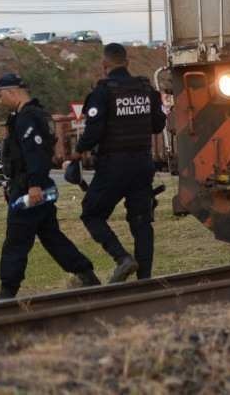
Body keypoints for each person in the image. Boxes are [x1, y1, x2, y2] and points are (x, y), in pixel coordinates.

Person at [0, 73, 99, 299]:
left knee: (16, 242)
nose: (0, 101)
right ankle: (86, 274)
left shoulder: (28, 118)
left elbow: (35, 154)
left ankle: (6, 294)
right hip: (31, 186)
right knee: (51, 236)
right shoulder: (26, 116)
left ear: (11, 92)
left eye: (0, 96)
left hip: (31, 188)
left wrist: (34, 185)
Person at [70, 43, 165, 282]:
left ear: (104, 65)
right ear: (128, 62)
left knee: (91, 214)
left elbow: (93, 132)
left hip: (113, 166)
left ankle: (122, 258)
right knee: (142, 221)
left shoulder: (102, 93)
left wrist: (77, 152)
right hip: (143, 165)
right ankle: (145, 278)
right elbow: (158, 125)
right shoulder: (145, 89)